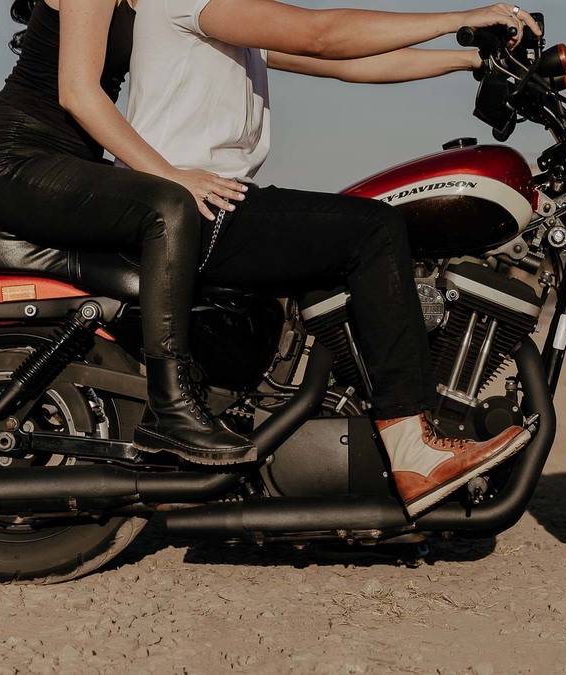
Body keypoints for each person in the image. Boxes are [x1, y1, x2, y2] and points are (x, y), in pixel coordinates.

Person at [125, 1, 540, 516]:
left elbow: (350, 63)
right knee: (375, 230)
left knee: (351, 229)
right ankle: (412, 446)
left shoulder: (232, 20)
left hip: (213, 201)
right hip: (196, 207)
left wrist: (471, 62)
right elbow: (323, 34)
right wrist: (459, 19)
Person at [0, 0, 261, 466]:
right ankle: (171, 409)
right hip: (17, 158)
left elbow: (297, 43)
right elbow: (78, 94)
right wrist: (170, 175)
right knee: (168, 207)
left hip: (64, 162)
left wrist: (414, 55)